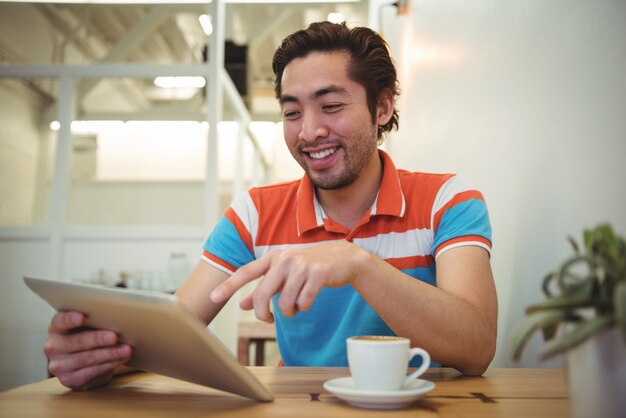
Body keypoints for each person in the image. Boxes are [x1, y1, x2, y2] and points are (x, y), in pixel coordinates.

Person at [44, 21, 498, 390]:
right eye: (292, 112)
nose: (309, 132)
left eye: (331, 105)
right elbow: (172, 331)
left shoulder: (447, 200)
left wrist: (358, 263)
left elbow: (477, 348)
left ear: (382, 107)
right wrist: (99, 356)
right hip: (303, 406)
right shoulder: (254, 213)